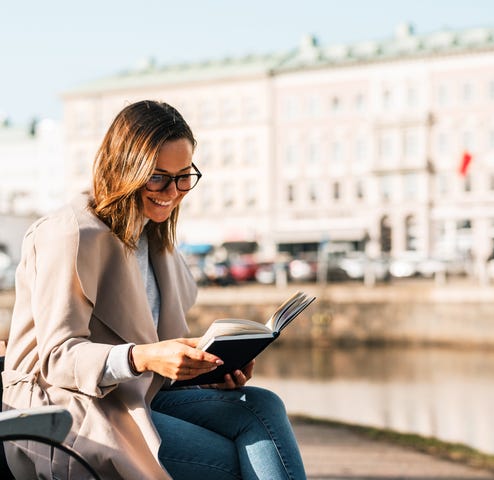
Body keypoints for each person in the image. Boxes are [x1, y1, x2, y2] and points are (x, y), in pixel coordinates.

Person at [2, 100, 306, 479]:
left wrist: (205, 367)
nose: (173, 191)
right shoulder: (68, 233)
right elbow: (58, 359)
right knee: (230, 461)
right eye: (158, 177)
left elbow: (155, 350)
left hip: (136, 395)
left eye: (184, 176)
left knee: (261, 406)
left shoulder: (158, 243)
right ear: (124, 168)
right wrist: (143, 358)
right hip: (67, 406)